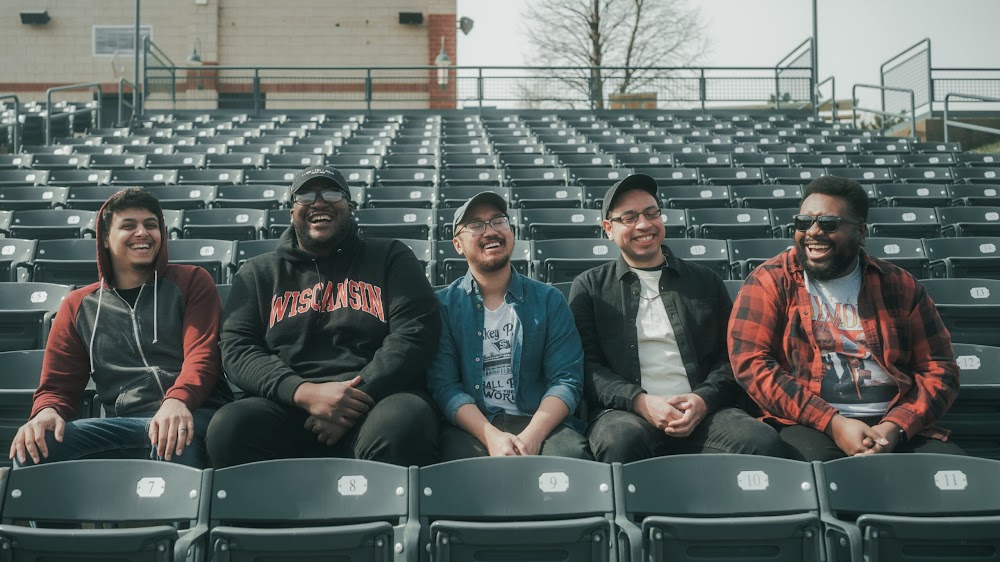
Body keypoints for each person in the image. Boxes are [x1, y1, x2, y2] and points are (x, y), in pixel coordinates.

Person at [207, 166, 441, 468]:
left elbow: (415, 332)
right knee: (230, 427)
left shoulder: (391, 256)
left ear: (350, 207)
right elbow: (237, 348)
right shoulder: (257, 273)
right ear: (292, 212)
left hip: (373, 401)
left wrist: (353, 398)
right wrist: (302, 392)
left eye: (332, 194)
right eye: (305, 195)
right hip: (287, 404)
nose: (319, 202)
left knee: (405, 421)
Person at [728, 175, 962, 461]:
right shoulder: (770, 280)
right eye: (804, 222)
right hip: (808, 424)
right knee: (821, 469)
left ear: (860, 232)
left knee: (955, 473)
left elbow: (939, 368)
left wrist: (896, 427)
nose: (813, 232)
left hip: (891, 421)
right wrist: (833, 423)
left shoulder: (900, 285)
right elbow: (752, 364)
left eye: (829, 223)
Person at [569, 174, 784, 463]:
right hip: (626, 412)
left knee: (761, 440)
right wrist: (640, 402)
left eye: (651, 213)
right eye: (629, 218)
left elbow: (730, 357)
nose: (644, 225)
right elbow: (588, 367)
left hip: (704, 410)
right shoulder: (590, 287)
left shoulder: (705, 281)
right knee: (619, 439)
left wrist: (703, 399)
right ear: (609, 229)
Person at [10, 188, 231, 468]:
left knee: (174, 439)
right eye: (128, 225)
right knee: (35, 445)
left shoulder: (192, 281)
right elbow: (57, 386)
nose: (142, 233)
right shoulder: (78, 305)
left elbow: (202, 357)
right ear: (104, 237)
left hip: (193, 412)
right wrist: (46, 411)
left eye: (151, 225)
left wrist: (178, 400)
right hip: (125, 423)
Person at [428, 192, 591, 460]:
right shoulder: (444, 306)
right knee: (453, 462)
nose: (490, 231)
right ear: (457, 244)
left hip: (539, 421)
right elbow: (445, 386)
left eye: (498, 221)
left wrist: (533, 436)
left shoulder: (549, 300)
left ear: (511, 231)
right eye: (476, 225)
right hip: (474, 425)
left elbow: (566, 379)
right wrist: (490, 435)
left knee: (571, 455)